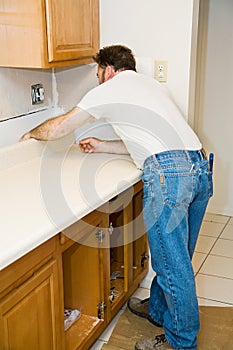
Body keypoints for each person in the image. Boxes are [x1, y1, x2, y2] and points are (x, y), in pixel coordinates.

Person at [21, 45, 213, 349]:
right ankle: (159, 311)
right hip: (199, 168)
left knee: (173, 268)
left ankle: (181, 343)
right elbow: (151, 143)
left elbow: (59, 128)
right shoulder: (150, 86)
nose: (98, 82)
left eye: (98, 74)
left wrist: (31, 135)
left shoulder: (111, 88)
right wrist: (101, 145)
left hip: (170, 178)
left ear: (109, 69)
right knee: (177, 259)